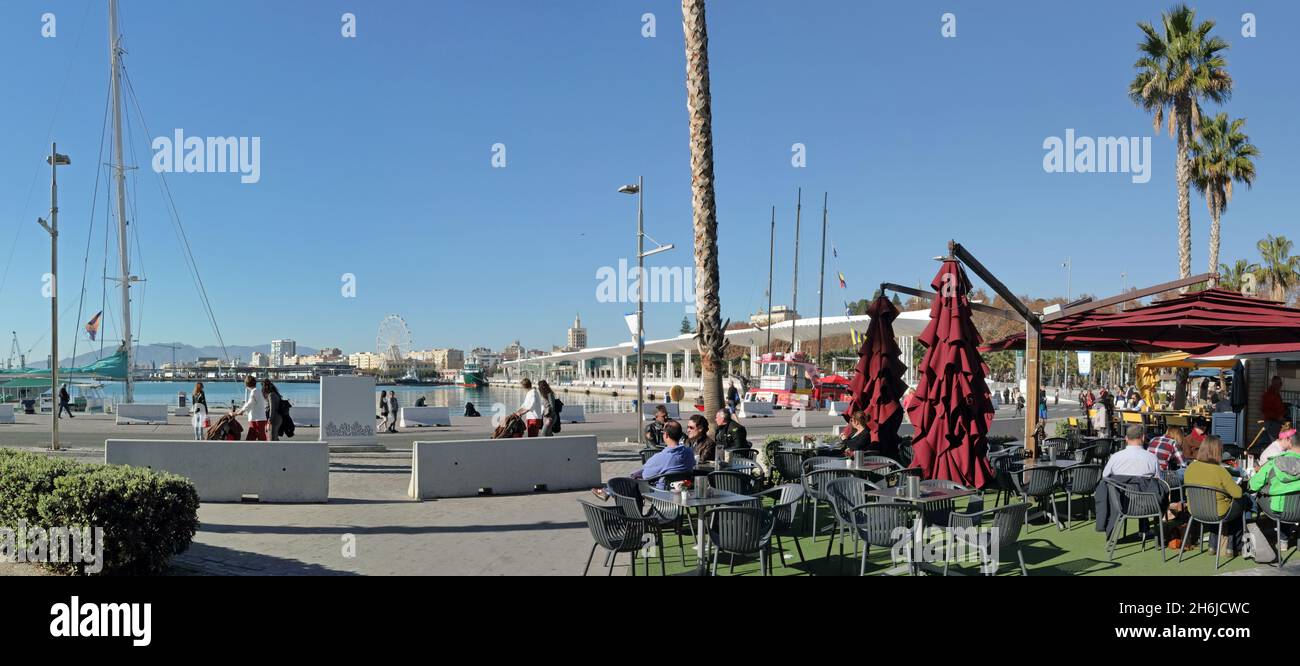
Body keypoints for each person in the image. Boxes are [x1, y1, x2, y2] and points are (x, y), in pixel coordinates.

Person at [591, 420, 694, 499]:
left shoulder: (663, 456)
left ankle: (627, 510)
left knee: (632, 482)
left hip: (662, 493)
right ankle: (608, 491)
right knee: (635, 476)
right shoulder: (689, 452)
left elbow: (646, 475)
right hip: (682, 490)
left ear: (666, 435)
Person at [1184, 435, 1248, 554]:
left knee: (1216, 504)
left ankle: (1213, 546)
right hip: (1218, 512)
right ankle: (1233, 546)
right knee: (1242, 501)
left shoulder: (1190, 467)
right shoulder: (1220, 471)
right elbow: (1238, 493)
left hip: (1195, 510)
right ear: (1219, 451)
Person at [234, 375, 268, 441]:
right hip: (260, 418)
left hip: (256, 419)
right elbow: (252, 404)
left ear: (247, 385)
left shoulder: (254, 392)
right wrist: (241, 410)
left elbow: (249, 404)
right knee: (253, 438)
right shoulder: (259, 391)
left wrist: (241, 411)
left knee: (259, 439)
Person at [1262, 376, 1287, 448]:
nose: (1281, 385)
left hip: (1277, 423)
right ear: (1274, 384)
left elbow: (1278, 408)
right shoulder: (1268, 395)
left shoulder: (1277, 395)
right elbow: (1266, 411)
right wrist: (1278, 417)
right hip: (1271, 423)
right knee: (1276, 445)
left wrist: (1282, 416)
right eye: (1280, 383)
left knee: (1277, 444)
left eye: (1281, 383)